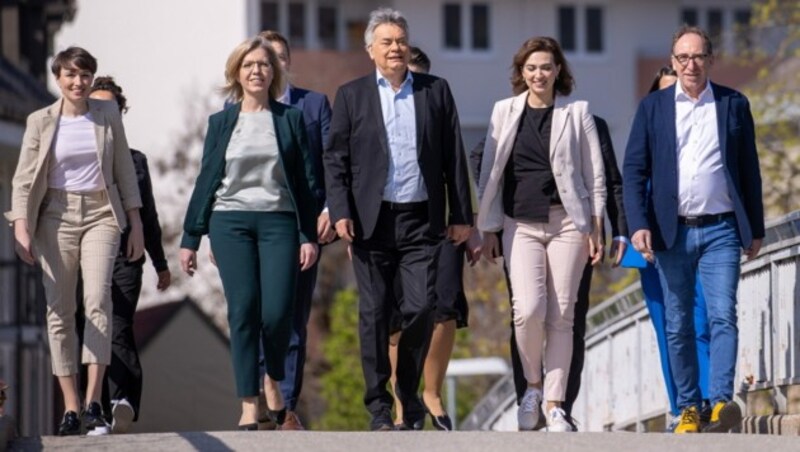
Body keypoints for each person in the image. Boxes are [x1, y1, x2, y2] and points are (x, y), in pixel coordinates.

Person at [323, 8, 473, 431]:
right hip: (371, 222)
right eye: (386, 42)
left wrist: (461, 215)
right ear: (370, 50)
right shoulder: (352, 96)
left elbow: (453, 156)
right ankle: (379, 408)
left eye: (401, 40)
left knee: (422, 307)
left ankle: (410, 396)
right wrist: (341, 213)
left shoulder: (435, 90)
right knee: (373, 313)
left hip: (420, 221)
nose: (395, 48)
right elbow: (335, 160)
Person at [623, 26, 764, 434]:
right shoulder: (653, 107)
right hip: (671, 232)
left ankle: (720, 403)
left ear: (710, 60)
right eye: (682, 58)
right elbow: (634, 170)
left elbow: (749, 171)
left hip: (721, 228)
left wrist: (754, 227)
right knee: (678, 322)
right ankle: (687, 407)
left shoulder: (733, 104)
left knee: (723, 315)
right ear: (672, 61)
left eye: (698, 56)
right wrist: (638, 225)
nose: (690, 65)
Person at [179, 36, 320, 431]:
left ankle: (272, 379)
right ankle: (247, 404)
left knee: (277, 314)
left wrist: (307, 235)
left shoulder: (289, 118)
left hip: (279, 222)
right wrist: (192, 238)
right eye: (249, 65)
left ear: (274, 72)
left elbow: (306, 182)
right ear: (236, 74)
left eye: (264, 64)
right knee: (243, 312)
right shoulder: (221, 122)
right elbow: (207, 179)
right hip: (231, 223)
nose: (257, 70)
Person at [5, 46, 144, 436]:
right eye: (70, 75)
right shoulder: (40, 121)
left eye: (84, 75)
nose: (78, 82)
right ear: (58, 78)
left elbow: (124, 172)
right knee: (60, 310)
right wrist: (20, 226)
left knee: (98, 300)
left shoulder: (107, 114)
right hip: (54, 217)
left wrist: (135, 222)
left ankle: (94, 403)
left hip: (102, 212)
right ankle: (70, 407)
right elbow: (22, 178)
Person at [476, 36, 605, 432]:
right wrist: (490, 227)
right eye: (531, 68)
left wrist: (597, 227)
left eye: (546, 67)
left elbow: (594, 175)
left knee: (562, 315)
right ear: (521, 72)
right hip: (520, 223)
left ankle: (554, 404)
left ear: (558, 71)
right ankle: (532, 386)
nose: (539, 74)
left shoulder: (576, 112)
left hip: (569, 223)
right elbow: (490, 176)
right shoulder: (504, 111)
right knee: (527, 310)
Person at [386, 46, 478, 431]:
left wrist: (467, 221)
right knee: (396, 315)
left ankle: (431, 391)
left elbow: (456, 162)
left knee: (444, 306)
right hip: (390, 220)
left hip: (440, 220)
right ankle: (401, 402)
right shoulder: (378, 104)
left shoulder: (436, 100)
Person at [74, 76, 171, 434]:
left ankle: (122, 399)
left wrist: (160, 263)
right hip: (83, 252)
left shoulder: (136, 161)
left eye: (110, 107)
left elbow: (148, 216)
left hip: (126, 254)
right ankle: (91, 407)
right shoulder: (72, 154)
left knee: (118, 322)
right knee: (86, 324)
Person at [256, 30, 333, 431]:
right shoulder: (236, 109)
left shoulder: (314, 104)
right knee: (256, 314)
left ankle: (285, 406)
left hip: (304, 227)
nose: (271, 65)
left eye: (278, 58)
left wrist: (328, 209)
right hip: (253, 227)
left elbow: (333, 163)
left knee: (293, 319)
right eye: (263, 58)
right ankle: (257, 400)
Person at [627, 66, 711, 431]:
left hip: (700, 239)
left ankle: (707, 400)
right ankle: (682, 405)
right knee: (670, 329)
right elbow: (630, 187)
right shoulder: (646, 137)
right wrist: (637, 234)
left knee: (704, 321)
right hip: (655, 246)